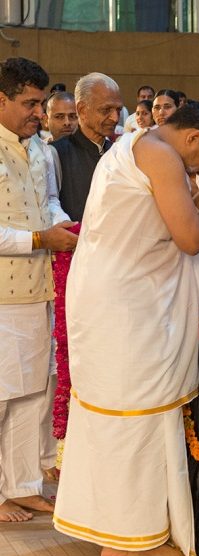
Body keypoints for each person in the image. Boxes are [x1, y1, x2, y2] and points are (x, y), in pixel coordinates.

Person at [53, 102, 199, 556]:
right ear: (194, 138)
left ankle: (117, 535)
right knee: (136, 417)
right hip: (127, 304)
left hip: (111, 297)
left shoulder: (139, 143)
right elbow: (191, 238)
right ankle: (139, 544)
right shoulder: (161, 155)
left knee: (115, 415)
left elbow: (178, 218)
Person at [0, 57, 78, 523]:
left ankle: (22, 485)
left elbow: (49, 201)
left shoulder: (43, 150)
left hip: (40, 288)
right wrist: (38, 239)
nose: (38, 112)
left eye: (40, 103)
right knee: (1, 394)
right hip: (1, 297)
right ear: (1, 100)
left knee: (32, 392)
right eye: (30, 103)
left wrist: (62, 225)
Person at [51, 72, 123, 222]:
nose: (115, 118)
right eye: (106, 110)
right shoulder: (55, 153)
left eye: (118, 110)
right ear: (82, 110)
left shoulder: (120, 154)